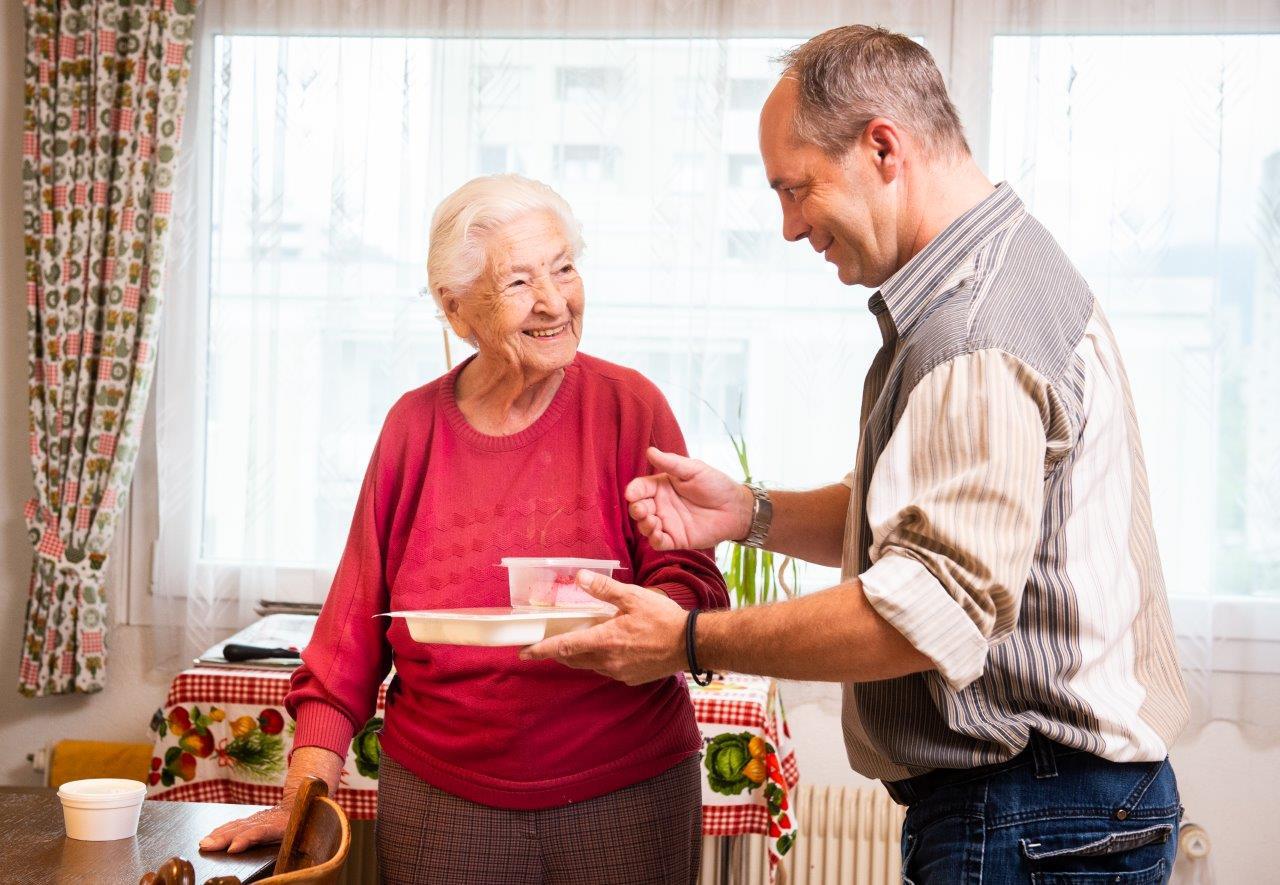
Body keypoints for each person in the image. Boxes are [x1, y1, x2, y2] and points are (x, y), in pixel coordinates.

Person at [524, 26, 1190, 884]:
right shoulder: (1003, 273)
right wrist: (747, 512)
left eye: (796, 189)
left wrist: (686, 638)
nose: (792, 227)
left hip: (1029, 810)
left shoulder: (971, 331)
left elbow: (924, 607)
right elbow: (946, 523)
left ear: (883, 146)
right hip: (1060, 808)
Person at [201, 174, 728, 884]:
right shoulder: (412, 431)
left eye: (564, 267)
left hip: (625, 787)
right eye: (518, 282)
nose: (553, 301)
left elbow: (688, 577)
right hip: (444, 800)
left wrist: (669, 616)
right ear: (456, 310)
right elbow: (350, 636)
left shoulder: (630, 406)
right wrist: (305, 792)